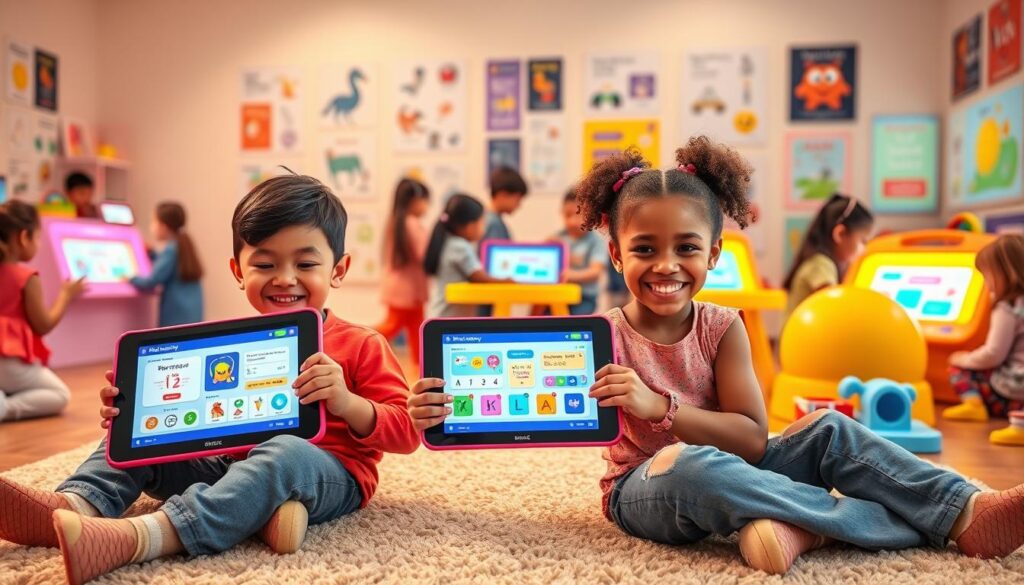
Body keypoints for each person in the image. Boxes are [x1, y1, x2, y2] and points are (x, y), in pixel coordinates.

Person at [408, 138, 1024, 574]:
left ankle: (963, 511)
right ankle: (888, 524)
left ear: (715, 253)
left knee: (831, 429)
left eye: (687, 247)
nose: (667, 265)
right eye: (644, 248)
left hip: (739, 461)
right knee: (693, 466)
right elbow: (517, 410)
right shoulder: (596, 336)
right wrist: (442, 406)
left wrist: (660, 406)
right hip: (643, 486)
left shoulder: (723, 327)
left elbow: (754, 440)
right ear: (617, 256)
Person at [0, 174, 420, 585]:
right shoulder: (233, 341)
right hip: (231, 464)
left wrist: (347, 402)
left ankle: (143, 537)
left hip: (329, 474)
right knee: (141, 435)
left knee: (285, 454)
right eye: (265, 263)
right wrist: (139, 410)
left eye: (306, 263)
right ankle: (73, 504)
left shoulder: (363, 343)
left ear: (338, 269)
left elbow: (406, 432)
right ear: (238, 271)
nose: (285, 277)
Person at [0, 200, 85, 422]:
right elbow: (43, 324)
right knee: (60, 394)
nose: (38, 243)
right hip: (9, 363)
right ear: (23, 236)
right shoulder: (26, 277)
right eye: (37, 238)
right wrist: (65, 295)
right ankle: (5, 406)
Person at [944, 235, 1024, 445]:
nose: (987, 285)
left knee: (957, 366)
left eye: (988, 277)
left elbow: (993, 354)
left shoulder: (1007, 307)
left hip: (1011, 391)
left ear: (1005, 274)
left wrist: (964, 358)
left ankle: (975, 406)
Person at [782, 194, 874, 319]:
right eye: (863, 241)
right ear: (840, 234)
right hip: (800, 338)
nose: (864, 249)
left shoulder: (817, 261)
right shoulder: (820, 264)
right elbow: (834, 307)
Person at [424, 193, 511, 318]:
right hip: (448, 316)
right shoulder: (460, 247)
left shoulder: (449, 242)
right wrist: (505, 281)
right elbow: (479, 277)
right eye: (482, 223)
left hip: (441, 313)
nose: (483, 229)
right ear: (470, 226)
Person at [374, 178, 430, 365]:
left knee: (416, 330)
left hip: (400, 288)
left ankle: (421, 364)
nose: (427, 206)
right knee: (392, 327)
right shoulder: (412, 223)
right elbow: (425, 254)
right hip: (407, 291)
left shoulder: (396, 221)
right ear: (415, 200)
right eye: (426, 201)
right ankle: (359, 341)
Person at [127, 202, 203, 327]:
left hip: (176, 318)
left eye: (153, 222)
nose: (152, 227)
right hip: (191, 315)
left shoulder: (171, 249)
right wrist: (152, 254)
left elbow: (151, 281)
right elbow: (169, 266)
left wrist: (130, 278)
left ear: (163, 226)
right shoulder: (182, 245)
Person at [554, 188, 607, 315]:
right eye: (567, 215)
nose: (572, 221)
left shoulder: (595, 241)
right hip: (559, 295)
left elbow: (595, 272)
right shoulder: (558, 238)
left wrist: (572, 275)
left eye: (577, 214)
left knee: (574, 322)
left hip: (584, 298)